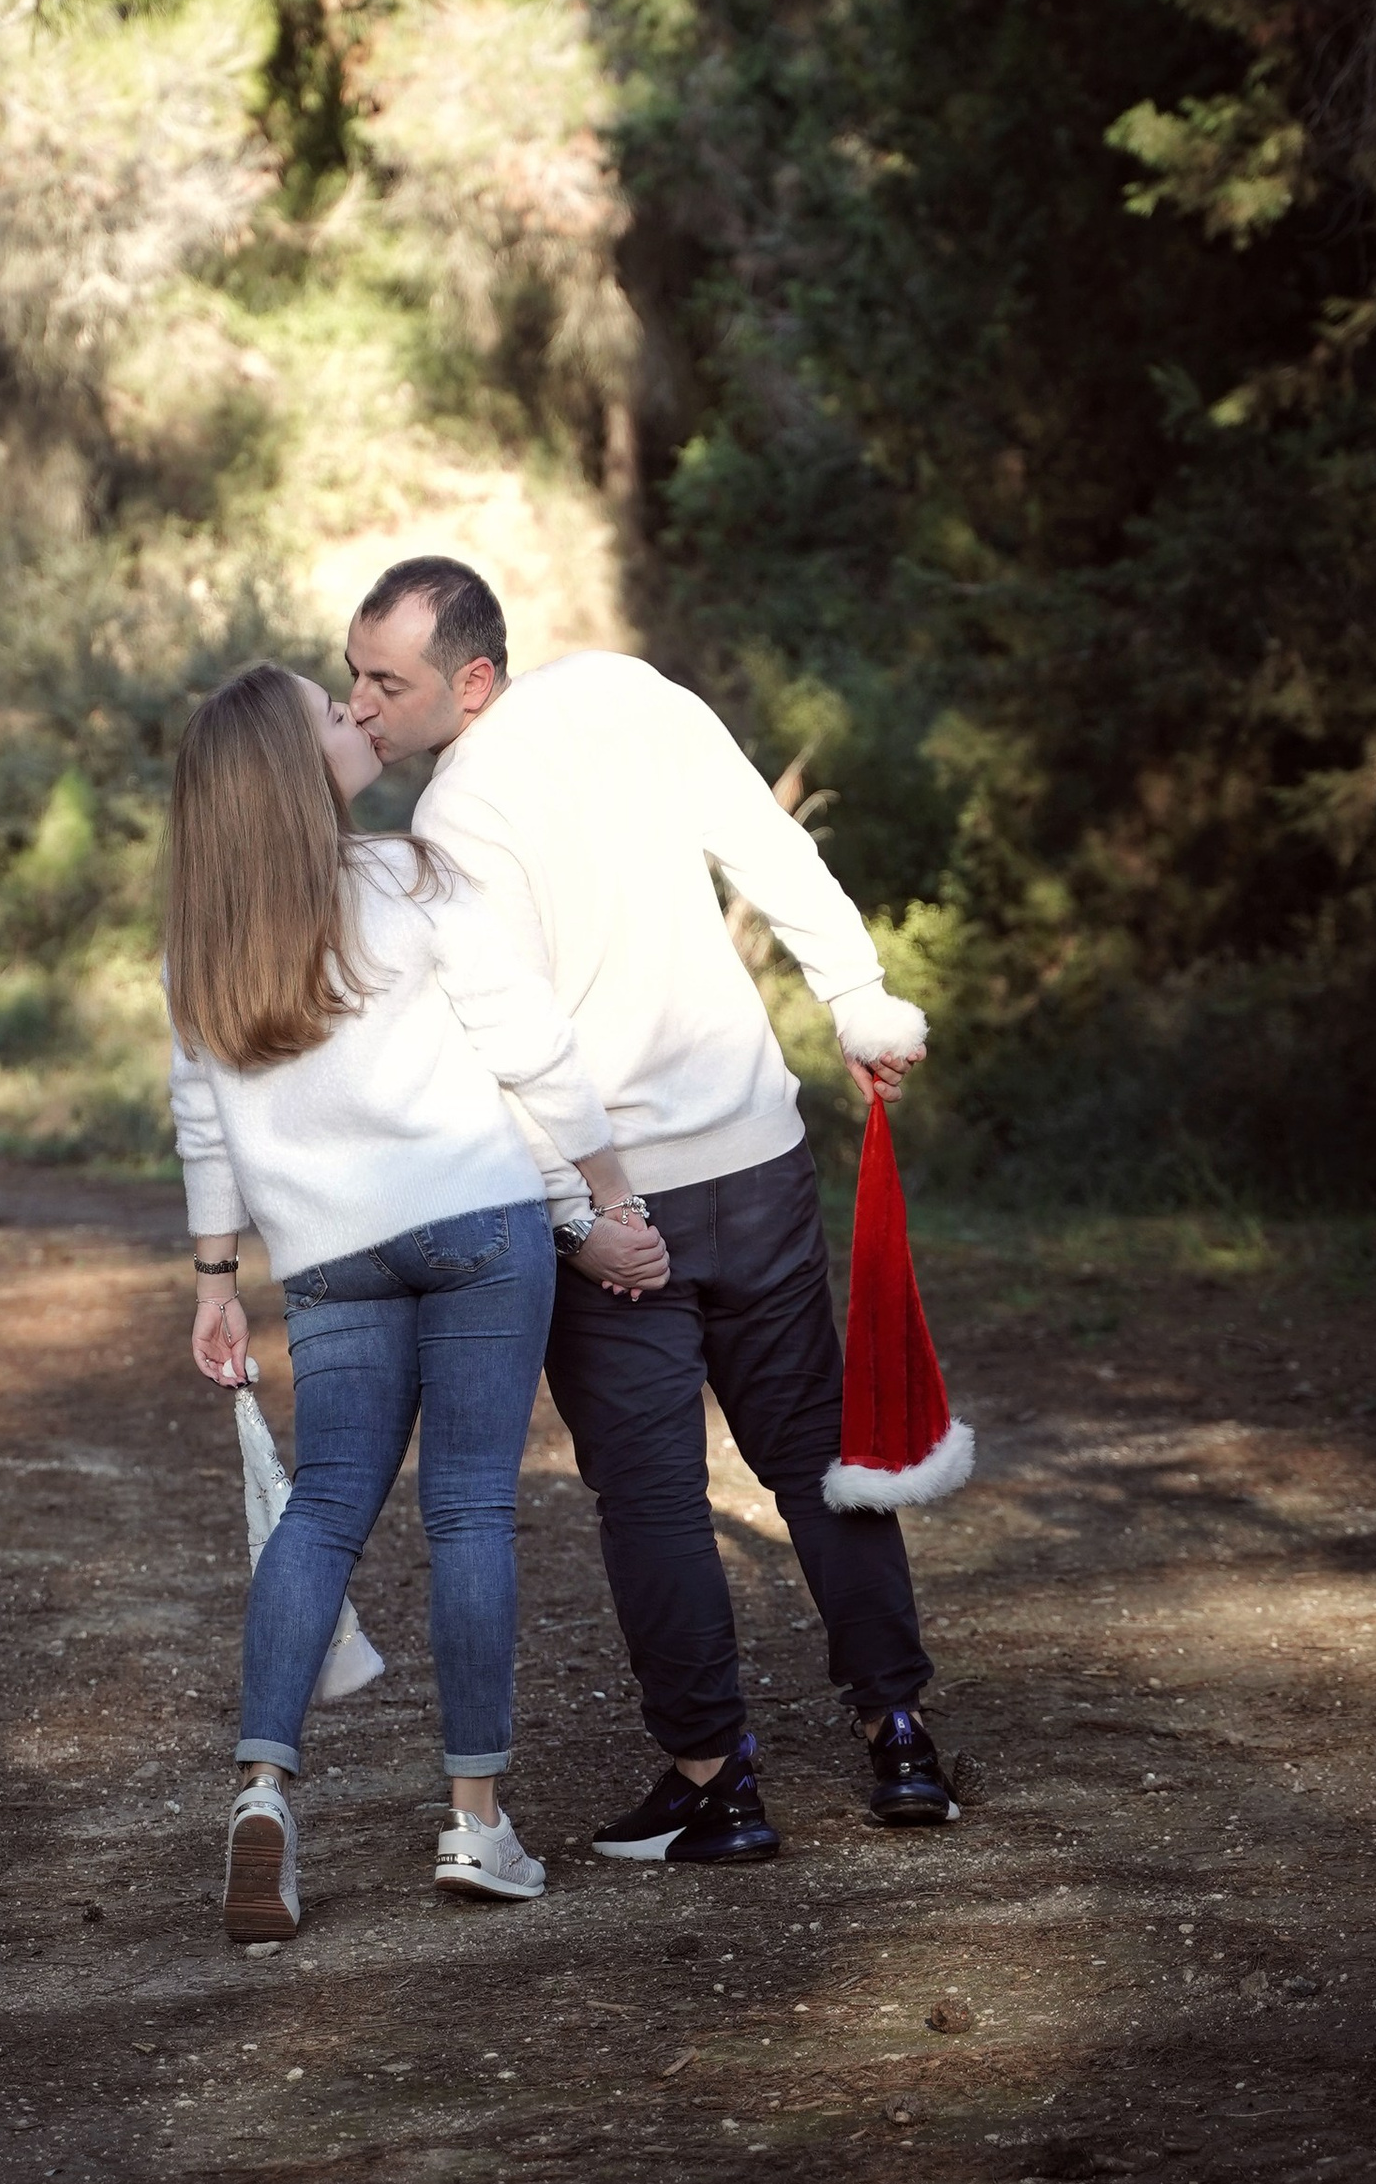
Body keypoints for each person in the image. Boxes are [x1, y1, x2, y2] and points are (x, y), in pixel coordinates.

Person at [344, 557, 953, 1865]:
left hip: (627, 1205)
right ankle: (898, 1737)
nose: (361, 709)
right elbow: (771, 849)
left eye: (384, 682)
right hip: (757, 1154)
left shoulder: (454, 823)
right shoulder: (631, 695)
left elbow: (515, 1047)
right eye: (355, 679)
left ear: (472, 678)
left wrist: (577, 1217)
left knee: (657, 1497)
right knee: (811, 1452)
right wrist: (856, 999)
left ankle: (719, 1784)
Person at [164, 659, 658, 1943]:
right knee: (472, 1512)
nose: (354, 718)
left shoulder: (199, 946)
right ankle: (476, 1825)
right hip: (477, 1227)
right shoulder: (410, 879)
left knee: (323, 1511)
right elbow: (528, 1047)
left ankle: (264, 1792)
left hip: (327, 1257)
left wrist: (216, 1276)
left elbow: (202, 1124)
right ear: (293, 766)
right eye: (332, 715)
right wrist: (607, 1192)